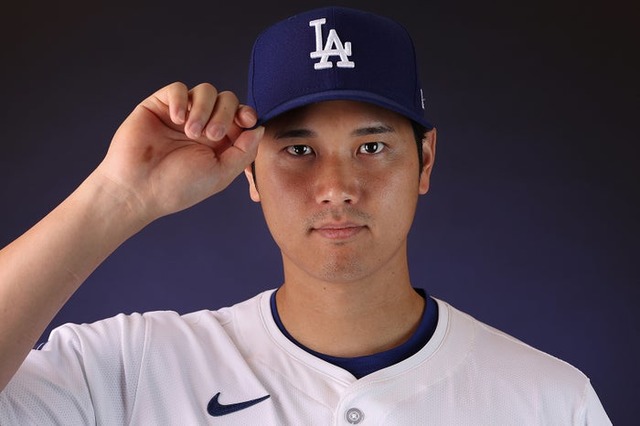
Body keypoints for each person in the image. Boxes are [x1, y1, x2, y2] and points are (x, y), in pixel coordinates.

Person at [0, 6, 611, 425]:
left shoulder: (548, 399)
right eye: (298, 149)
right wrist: (119, 194)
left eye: (371, 148)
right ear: (249, 170)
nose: (337, 187)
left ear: (425, 160)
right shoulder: (134, 367)